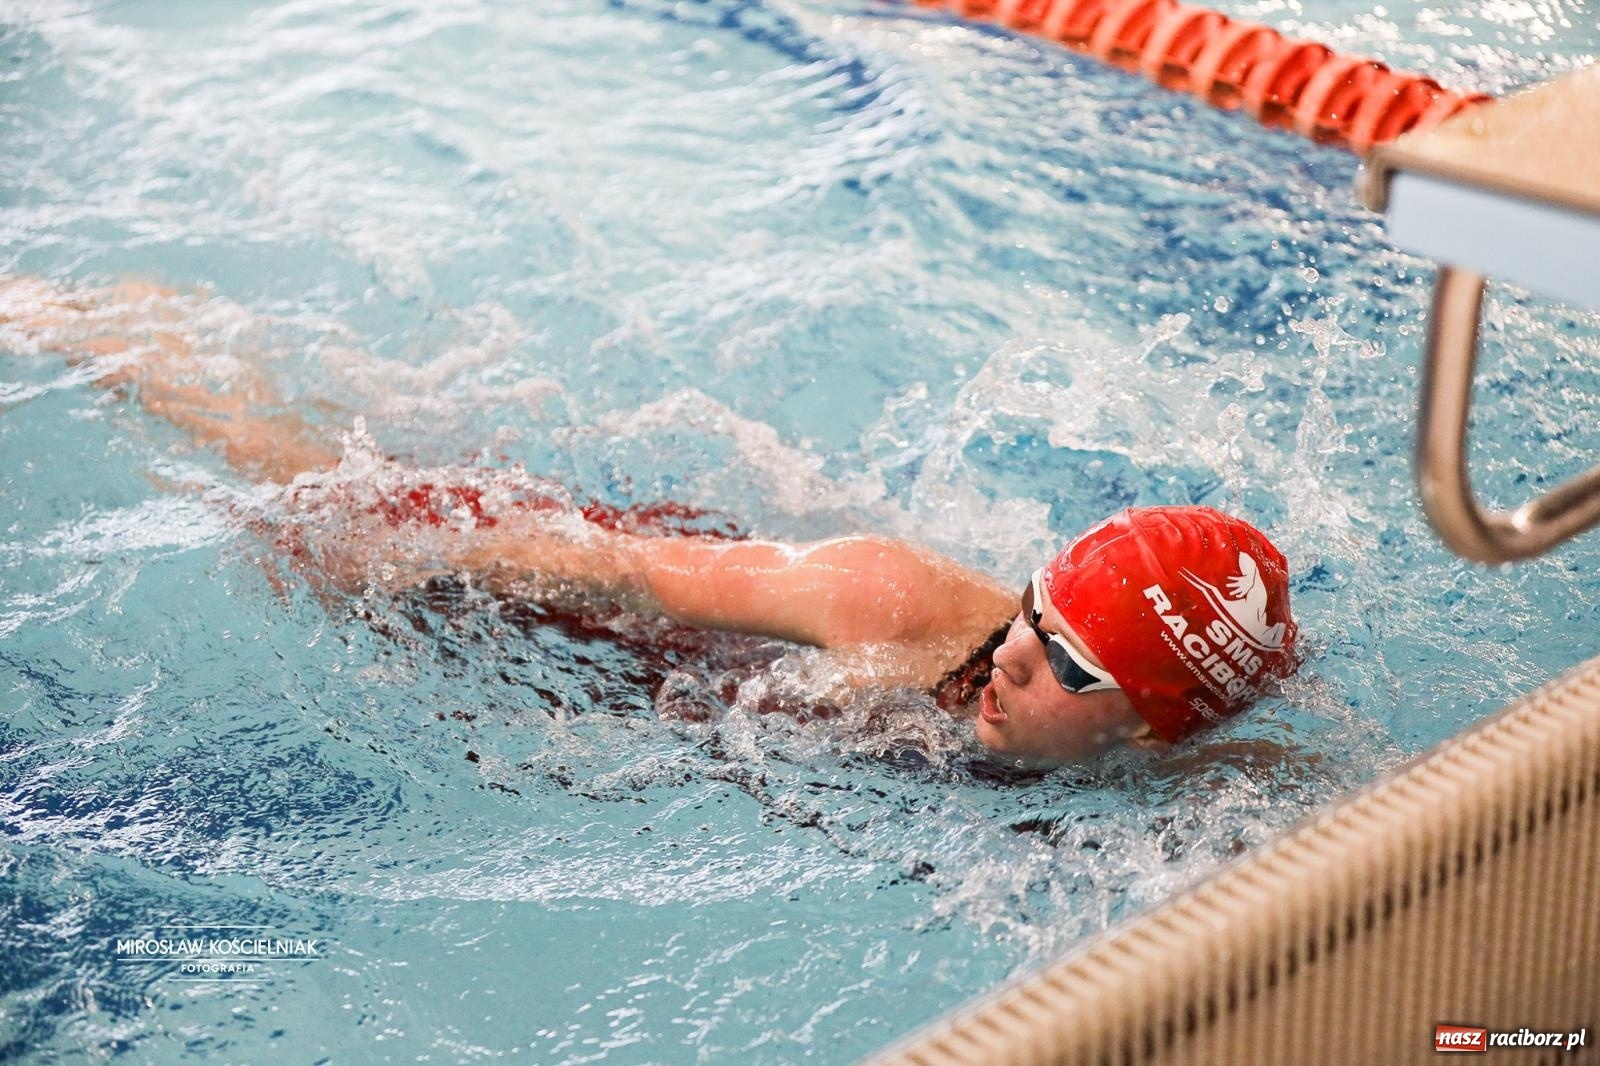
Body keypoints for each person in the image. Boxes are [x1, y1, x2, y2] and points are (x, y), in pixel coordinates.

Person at [2, 278, 1301, 766]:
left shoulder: (1192, 758)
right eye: (1032, 611)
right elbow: (620, 566)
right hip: (618, 610)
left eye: (1065, 660)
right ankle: (109, 330)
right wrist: (411, 542)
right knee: (313, 496)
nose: (1016, 653)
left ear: (1148, 716)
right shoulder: (888, 602)